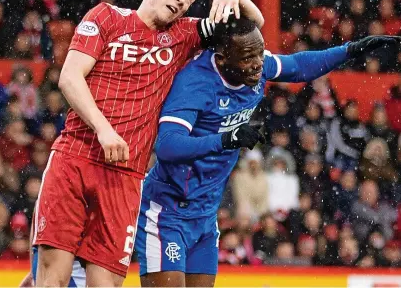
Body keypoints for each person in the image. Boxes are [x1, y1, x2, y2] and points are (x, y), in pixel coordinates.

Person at [31, 0, 264, 288]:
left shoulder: (185, 34)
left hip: (126, 176)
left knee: (105, 283)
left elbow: (253, 26)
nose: (183, 0)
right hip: (75, 158)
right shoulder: (106, 17)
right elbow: (70, 77)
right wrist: (103, 128)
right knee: (52, 275)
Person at [134, 16, 400, 287]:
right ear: (223, 58)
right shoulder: (194, 84)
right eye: (249, 58)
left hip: (205, 214)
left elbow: (299, 66)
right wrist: (224, 140)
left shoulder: (254, 64)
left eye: (260, 54)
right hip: (168, 211)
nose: (258, 64)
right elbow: (167, 146)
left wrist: (350, 50)